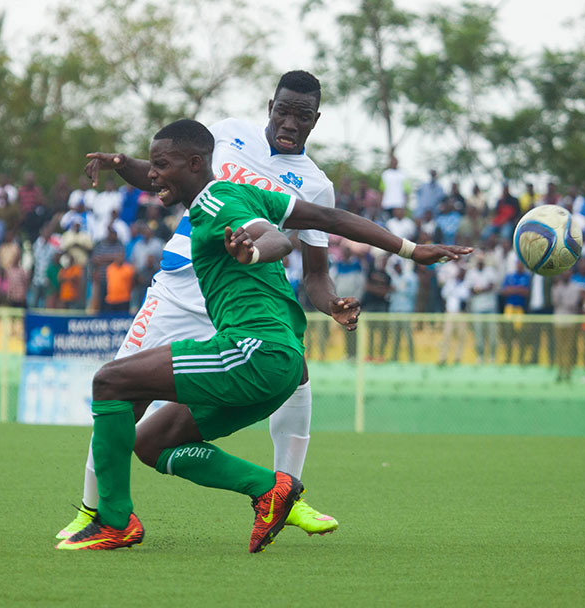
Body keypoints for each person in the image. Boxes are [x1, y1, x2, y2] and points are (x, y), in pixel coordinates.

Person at [56, 119, 470, 552]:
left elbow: (274, 239)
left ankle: (112, 520)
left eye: (161, 165)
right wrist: (409, 249)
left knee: (110, 382)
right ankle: (270, 489)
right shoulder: (244, 193)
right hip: (282, 365)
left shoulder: (217, 204)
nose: (153, 174)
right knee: (151, 442)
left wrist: (253, 251)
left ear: (195, 164)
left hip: (252, 353)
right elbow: (328, 218)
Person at [59, 70, 350, 538]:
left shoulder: (316, 185)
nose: (290, 122)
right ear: (269, 105)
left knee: (296, 381)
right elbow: (169, 173)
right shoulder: (230, 133)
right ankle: (94, 510)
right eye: (283, 110)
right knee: (122, 395)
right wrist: (121, 163)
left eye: (303, 115)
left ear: (317, 119)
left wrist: (332, 303)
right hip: (179, 288)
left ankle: (287, 495)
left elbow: (316, 274)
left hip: (244, 301)